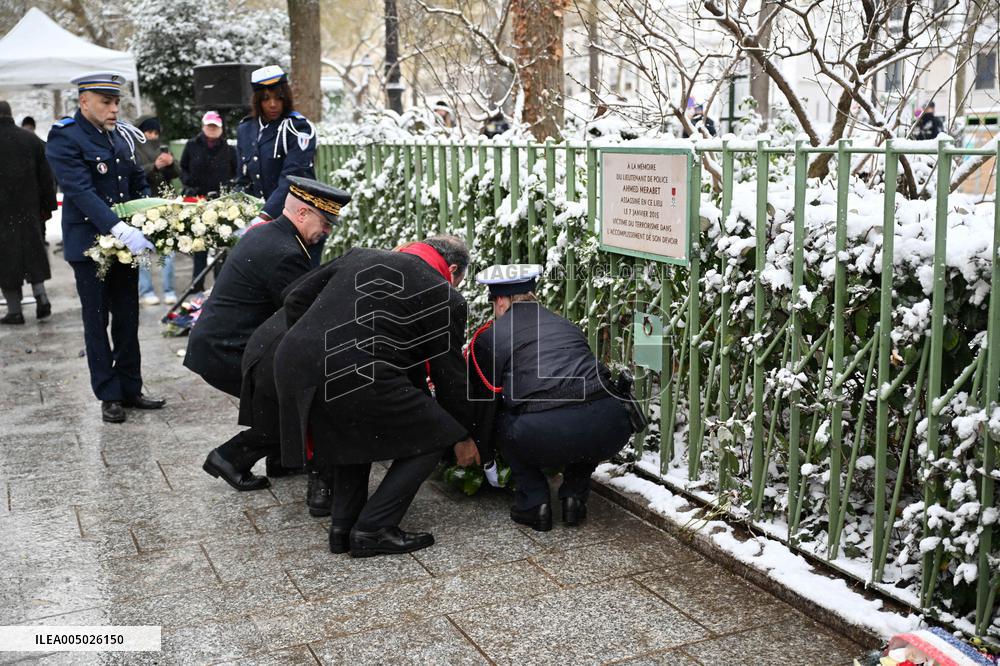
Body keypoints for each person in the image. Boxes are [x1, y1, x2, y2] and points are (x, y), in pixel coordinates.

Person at [274, 235, 478, 557]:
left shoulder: (360, 256)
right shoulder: (444, 295)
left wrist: (314, 343)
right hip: (354, 368)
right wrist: (463, 434)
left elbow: (295, 298)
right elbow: (449, 375)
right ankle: (373, 529)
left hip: (293, 360)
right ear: (453, 270)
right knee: (435, 435)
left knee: (357, 428)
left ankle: (343, 527)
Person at [192, 178, 350, 488]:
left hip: (220, 342)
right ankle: (230, 457)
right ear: (302, 213)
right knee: (301, 402)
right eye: (325, 221)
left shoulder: (270, 234)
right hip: (227, 349)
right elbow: (306, 316)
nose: (328, 231)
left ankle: (282, 462)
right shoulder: (286, 253)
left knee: (284, 400)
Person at [466, 265, 635, 531]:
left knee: (503, 419)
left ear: (500, 300)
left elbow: (485, 403)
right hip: (611, 424)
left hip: (541, 433)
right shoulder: (565, 325)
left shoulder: (490, 337)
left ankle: (534, 503)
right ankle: (574, 497)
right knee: (585, 413)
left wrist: (485, 457)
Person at [45, 73, 165, 424]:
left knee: (128, 317)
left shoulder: (120, 136)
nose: (114, 109)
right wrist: (119, 228)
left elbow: (136, 179)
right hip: (90, 245)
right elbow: (80, 191)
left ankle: (131, 387)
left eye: (116, 103)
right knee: (97, 320)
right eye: (106, 102)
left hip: (124, 244)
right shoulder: (65, 136)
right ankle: (108, 393)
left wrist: (152, 215)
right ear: (84, 102)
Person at [234, 66, 320, 266]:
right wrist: (239, 213)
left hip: (298, 222)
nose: (272, 104)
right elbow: (243, 178)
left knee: (296, 284)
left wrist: (265, 215)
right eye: (265, 99)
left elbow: (293, 176)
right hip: (261, 224)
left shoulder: (298, 127)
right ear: (257, 101)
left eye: (278, 98)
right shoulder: (246, 129)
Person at [0, 101, 56, 324]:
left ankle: (15, 311)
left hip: (1, 215)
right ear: (11, 115)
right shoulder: (30, 139)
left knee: (5, 261)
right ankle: (42, 299)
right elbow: (46, 176)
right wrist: (47, 207)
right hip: (29, 209)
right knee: (33, 254)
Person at [180, 110, 237, 291]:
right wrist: (189, 185)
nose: (212, 129)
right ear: (203, 127)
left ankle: (220, 285)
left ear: (220, 129)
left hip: (221, 202)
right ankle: (197, 284)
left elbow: (236, 172)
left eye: (215, 126)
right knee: (199, 243)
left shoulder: (229, 149)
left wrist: (228, 188)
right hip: (197, 200)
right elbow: (184, 168)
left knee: (221, 244)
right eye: (209, 125)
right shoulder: (191, 145)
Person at [134, 115, 180, 305]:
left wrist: (170, 164)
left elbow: (177, 173)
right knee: (142, 250)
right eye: (149, 132)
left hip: (164, 204)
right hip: (141, 205)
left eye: (155, 133)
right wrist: (154, 166)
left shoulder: (163, 147)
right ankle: (146, 291)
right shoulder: (133, 148)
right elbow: (134, 172)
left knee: (167, 250)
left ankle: (169, 290)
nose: (152, 136)